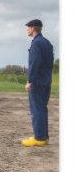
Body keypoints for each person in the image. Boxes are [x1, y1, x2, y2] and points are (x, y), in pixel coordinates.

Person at [22, 19, 54, 147]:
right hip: (46, 80)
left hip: (37, 82)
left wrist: (30, 81)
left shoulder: (36, 43)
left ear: (33, 28)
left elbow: (34, 63)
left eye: (28, 27)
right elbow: (50, 63)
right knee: (42, 108)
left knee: (36, 109)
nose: (27, 29)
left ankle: (39, 138)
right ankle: (44, 137)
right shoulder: (47, 43)